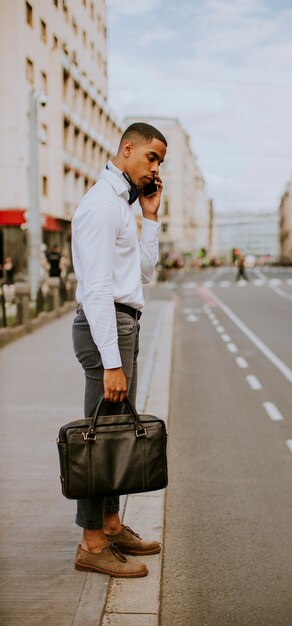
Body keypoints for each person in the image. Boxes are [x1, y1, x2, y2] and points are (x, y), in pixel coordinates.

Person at [71, 122, 167, 577]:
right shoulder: (101, 205)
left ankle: (110, 525)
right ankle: (91, 541)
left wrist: (151, 217)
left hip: (121, 322)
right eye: (151, 158)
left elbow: (143, 273)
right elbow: (97, 290)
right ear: (127, 149)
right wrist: (111, 360)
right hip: (103, 325)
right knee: (97, 440)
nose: (155, 168)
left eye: (160, 163)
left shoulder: (124, 206)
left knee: (111, 438)